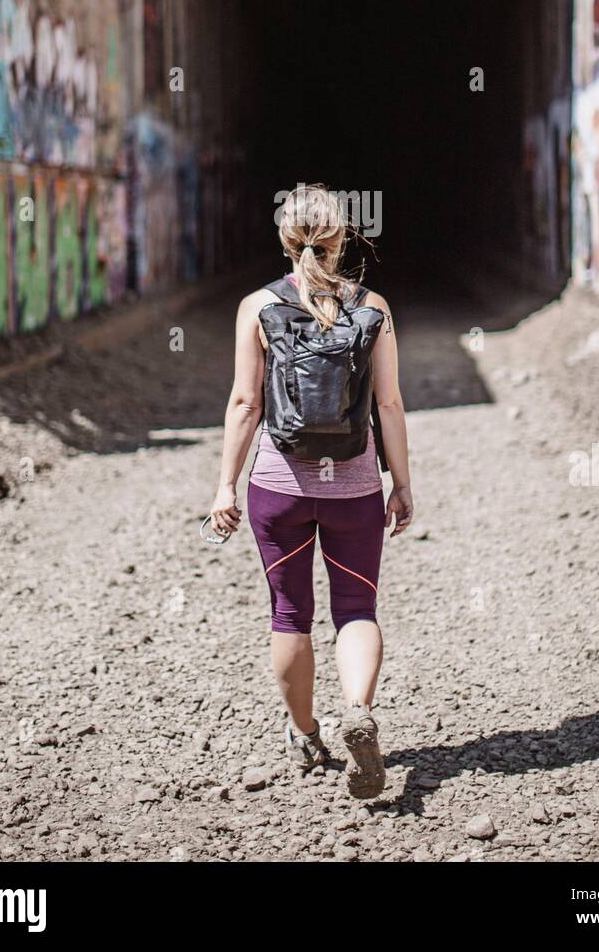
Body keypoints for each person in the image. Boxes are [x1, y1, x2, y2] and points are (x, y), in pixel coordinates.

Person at [210, 184, 413, 798]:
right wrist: (400, 483)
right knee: (356, 609)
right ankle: (358, 707)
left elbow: (246, 402)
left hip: (279, 486)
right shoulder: (373, 306)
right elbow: (389, 403)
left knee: (289, 615)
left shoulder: (257, 307)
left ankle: (305, 733)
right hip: (352, 486)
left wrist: (225, 485)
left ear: (284, 239)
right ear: (343, 238)